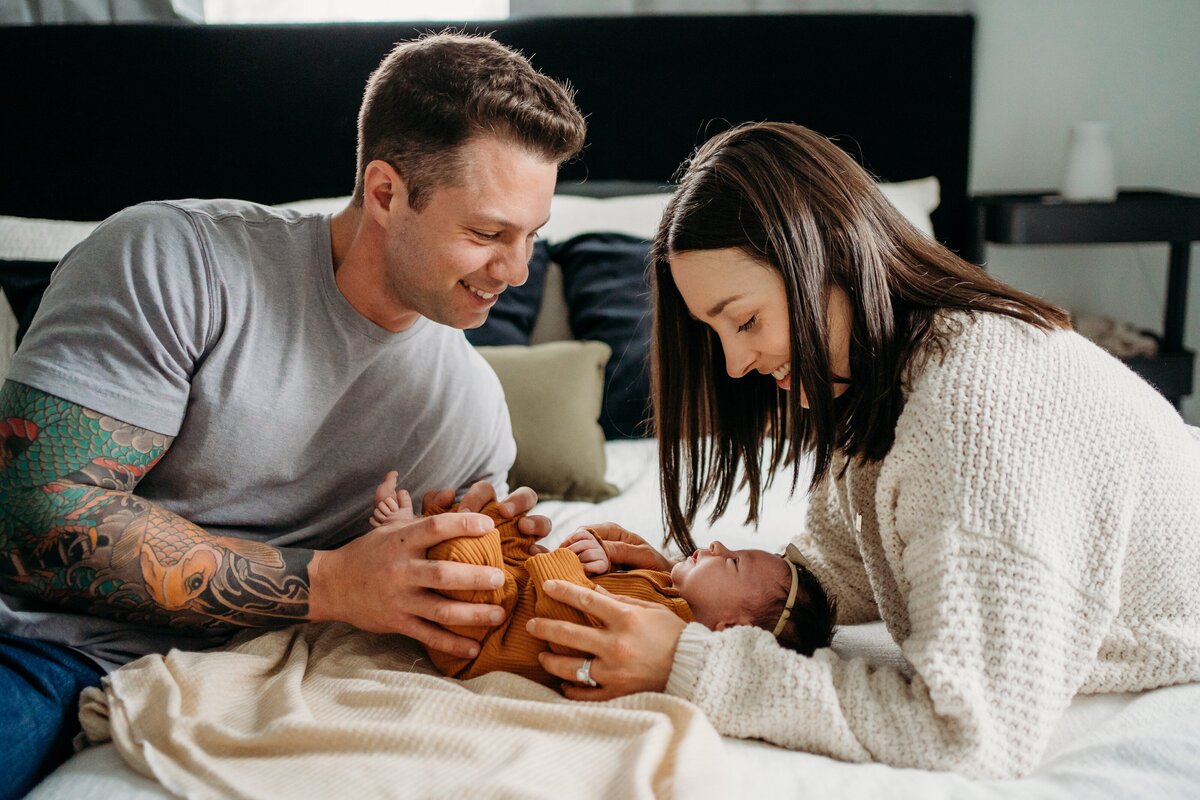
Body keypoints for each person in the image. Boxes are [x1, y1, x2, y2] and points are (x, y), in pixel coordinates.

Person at [0, 32, 585, 795]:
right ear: (384, 193)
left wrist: (467, 569)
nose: (514, 270)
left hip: (286, 681)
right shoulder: (176, 260)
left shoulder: (468, 409)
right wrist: (334, 584)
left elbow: (452, 611)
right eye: (486, 233)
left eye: (531, 236)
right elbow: (33, 517)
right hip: (50, 648)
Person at [524, 121, 1200, 779]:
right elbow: (852, 559)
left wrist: (690, 664)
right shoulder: (879, 376)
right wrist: (695, 584)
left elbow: (967, 733)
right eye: (714, 332)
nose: (733, 364)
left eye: (746, 320)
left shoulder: (972, 404)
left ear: (831, 261)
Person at [369, 472, 835, 688]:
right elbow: (618, 553)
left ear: (728, 629)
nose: (716, 545)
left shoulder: (659, 631)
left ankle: (406, 540)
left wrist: (562, 564)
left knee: (469, 559)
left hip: (487, 632)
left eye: (731, 562)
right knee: (496, 520)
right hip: (518, 590)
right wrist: (593, 547)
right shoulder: (667, 586)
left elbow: (570, 607)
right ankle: (419, 537)